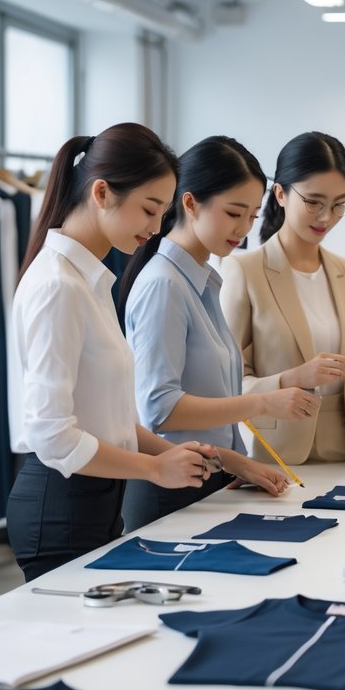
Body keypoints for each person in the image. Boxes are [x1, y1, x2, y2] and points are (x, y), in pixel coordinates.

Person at [6, 124, 218, 582]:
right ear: (101, 192)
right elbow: (52, 434)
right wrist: (154, 468)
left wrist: (175, 457)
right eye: (149, 209)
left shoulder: (91, 279)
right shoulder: (59, 285)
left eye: (163, 212)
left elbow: (111, 418)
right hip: (60, 506)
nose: (157, 227)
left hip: (94, 499)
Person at [117, 136, 296, 532]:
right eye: (234, 213)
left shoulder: (201, 282)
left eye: (252, 216)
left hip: (207, 479)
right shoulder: (165, 285)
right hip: (172, 490)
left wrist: (237, 460)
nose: (244, 228)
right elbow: (161, 408)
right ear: (190, 203)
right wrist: (261, 404)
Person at [220, 132, 345, 463]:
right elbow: (227, 386)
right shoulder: (244, 270)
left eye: (340, 204)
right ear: (280, 194)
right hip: (282, 457)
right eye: (314, 202)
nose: (327, 217)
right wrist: (293, 378)